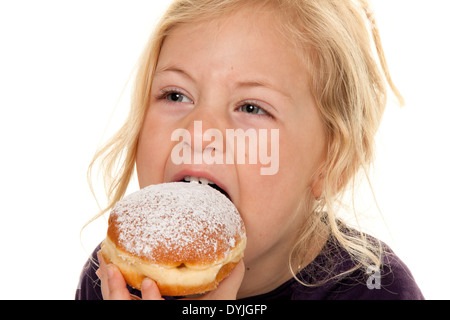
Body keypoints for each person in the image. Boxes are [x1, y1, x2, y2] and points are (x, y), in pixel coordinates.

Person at [76, 0, 424, 300]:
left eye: (252, 108)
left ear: (330, 164)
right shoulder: (114, 275)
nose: (200, 133)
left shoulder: (377, 289)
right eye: (176, 95)